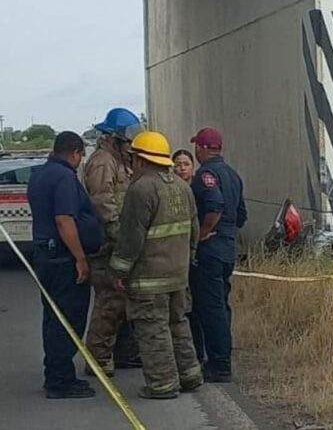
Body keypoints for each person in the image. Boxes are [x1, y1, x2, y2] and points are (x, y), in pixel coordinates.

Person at [107, 131, 203, 399]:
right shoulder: (183, 187)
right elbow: (193, 230)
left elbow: (130, 238)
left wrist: (118, 271)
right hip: (178, 275)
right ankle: (190, 375)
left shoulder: (141, 189)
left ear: (140, 159)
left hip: (149, 279)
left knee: (153, 330)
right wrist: (188, 258)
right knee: (178, 324)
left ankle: (162, 385)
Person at [27, 132, 103, 399]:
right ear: (76, 153)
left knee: (53, 316)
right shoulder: (64, 178)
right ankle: (60, 381)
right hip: (63, 258)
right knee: (68, 318)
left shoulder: (39, 175)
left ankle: (57, 374)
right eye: (81, 156)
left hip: (46, 255)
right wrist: (80, 258)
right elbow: (64, 220)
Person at [83, 108, 144, 377]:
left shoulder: (119, 161)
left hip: (118, 243)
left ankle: (122, 354)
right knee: (109, 303)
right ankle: (97, 358)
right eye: (127, 141)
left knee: (122, 302)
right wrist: (121, 235)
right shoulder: (102, 162)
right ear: (113, 138)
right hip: (108, 246)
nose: (131, 146)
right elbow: (103, 202)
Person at [189, 127, 247, 382]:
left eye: (196, 147)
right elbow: (242, 216)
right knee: (221, 306)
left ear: (201, 148)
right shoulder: (233, 175)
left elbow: (215, 205)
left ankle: (219, 365)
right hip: (227, 249)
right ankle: (221, 356)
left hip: (210, 251)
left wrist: (202, 233)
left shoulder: (206, 175)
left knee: (210, 308)